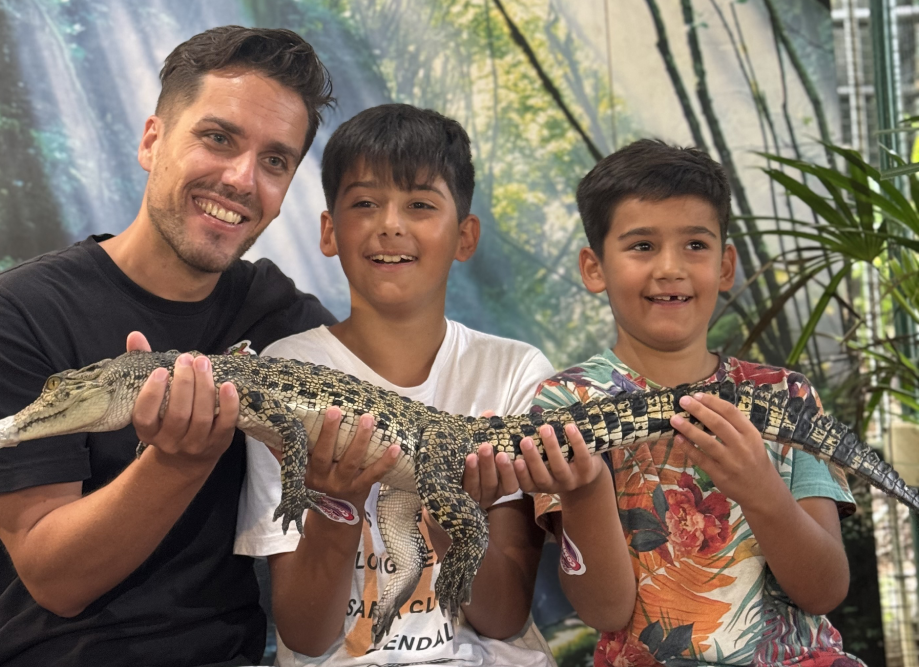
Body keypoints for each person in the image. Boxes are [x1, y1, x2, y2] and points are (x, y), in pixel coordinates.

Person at [0, 26, 336, 667]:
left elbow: (387, 390)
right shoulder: (15, 312)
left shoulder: (279, 315)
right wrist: (178, 461)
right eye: (218, 138)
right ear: (152, 140)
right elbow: (56, 580)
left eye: (275, 161)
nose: (241, 178)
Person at [235, 104, 635, 664]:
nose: (390, 224)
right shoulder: (285, 372)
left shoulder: (515, 372)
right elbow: (305, 636)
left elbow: (500, 616)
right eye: (365, 203)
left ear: (465, 236)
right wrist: (338, 504)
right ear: (329, 231)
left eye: (420, 204)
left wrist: (455, 515)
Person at [526, 139, 861, 667]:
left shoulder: (784, 394)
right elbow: (605, 610)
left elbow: (824, 590)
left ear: (726, 266)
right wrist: (588, 487)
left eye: (695, 245)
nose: (669, 268)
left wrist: (763, 492)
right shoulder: (566, 403)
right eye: (641, 246)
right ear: (594, 268)